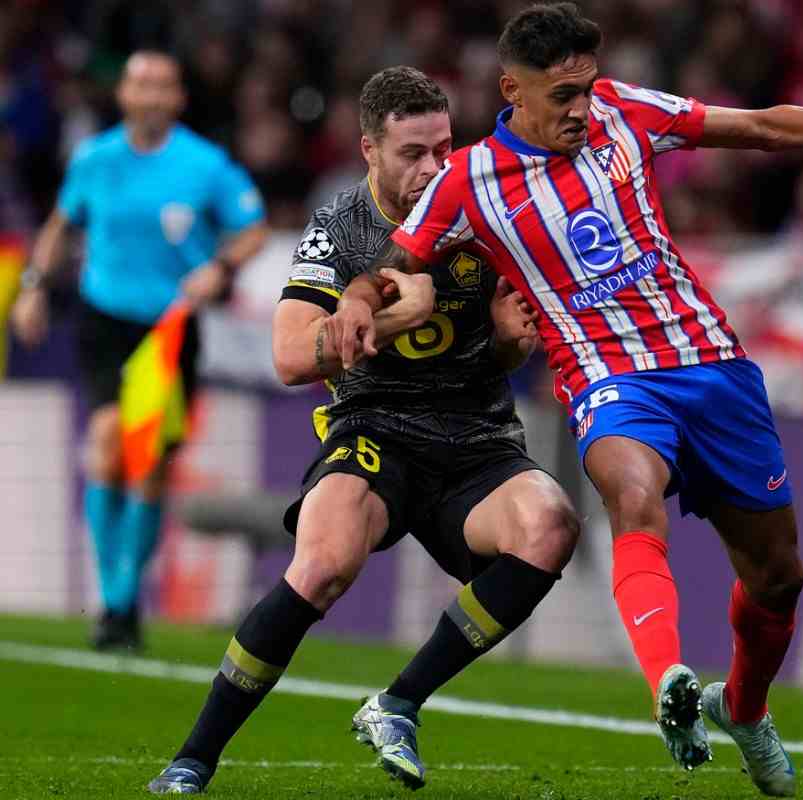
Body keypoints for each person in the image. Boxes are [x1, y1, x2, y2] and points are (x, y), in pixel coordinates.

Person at [329, 4, 803, 796]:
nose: (579, 108)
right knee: (633, 499)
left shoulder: (625, 112)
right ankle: (668, 679)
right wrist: (360, 302)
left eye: (585, 88)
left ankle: (743, 708)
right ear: (512, 90)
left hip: (713, 367)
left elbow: (764, 127)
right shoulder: (467, 181)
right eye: (561, 94)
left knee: (778, 576)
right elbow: (394, 263)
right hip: (607, 378)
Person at [147, 66, 579, 795]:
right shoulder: (343, 227)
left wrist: (510, 341)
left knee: (553, 524)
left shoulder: (483, 213)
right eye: (413, 153)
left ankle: (398, 703)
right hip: (372, 429)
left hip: (475, 437)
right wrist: (391, 318)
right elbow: (289, 355)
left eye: (444, 147)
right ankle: (194, 758)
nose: (435, 167)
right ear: (370, 152)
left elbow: (508, 341)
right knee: (320, 567)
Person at [9, 51, 267, 651]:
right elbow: (59, 225)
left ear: (177, 97)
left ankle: (123, 600)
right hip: (105, 321)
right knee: (105, 445)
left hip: (170, 329)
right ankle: (116, 599)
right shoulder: (95, 159)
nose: (149, 94)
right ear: (123, 93)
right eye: (139, 83)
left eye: (161, 85)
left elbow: (252, 229)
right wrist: (32, 289)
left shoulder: (205, 165)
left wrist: (220, 267)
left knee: (149, 465)